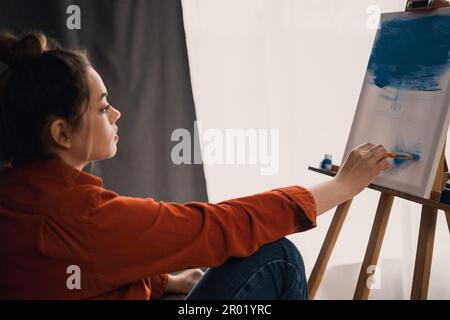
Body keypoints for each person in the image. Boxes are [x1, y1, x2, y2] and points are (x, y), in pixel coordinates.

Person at [0, 32, 390, 300]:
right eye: (102, 108)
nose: (116, 114)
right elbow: (220, 225)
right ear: (61, 134)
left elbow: (89, 269)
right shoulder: (83, 217)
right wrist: (341, 187)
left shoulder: (16, 191)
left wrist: (164, 281)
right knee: (277, 258)